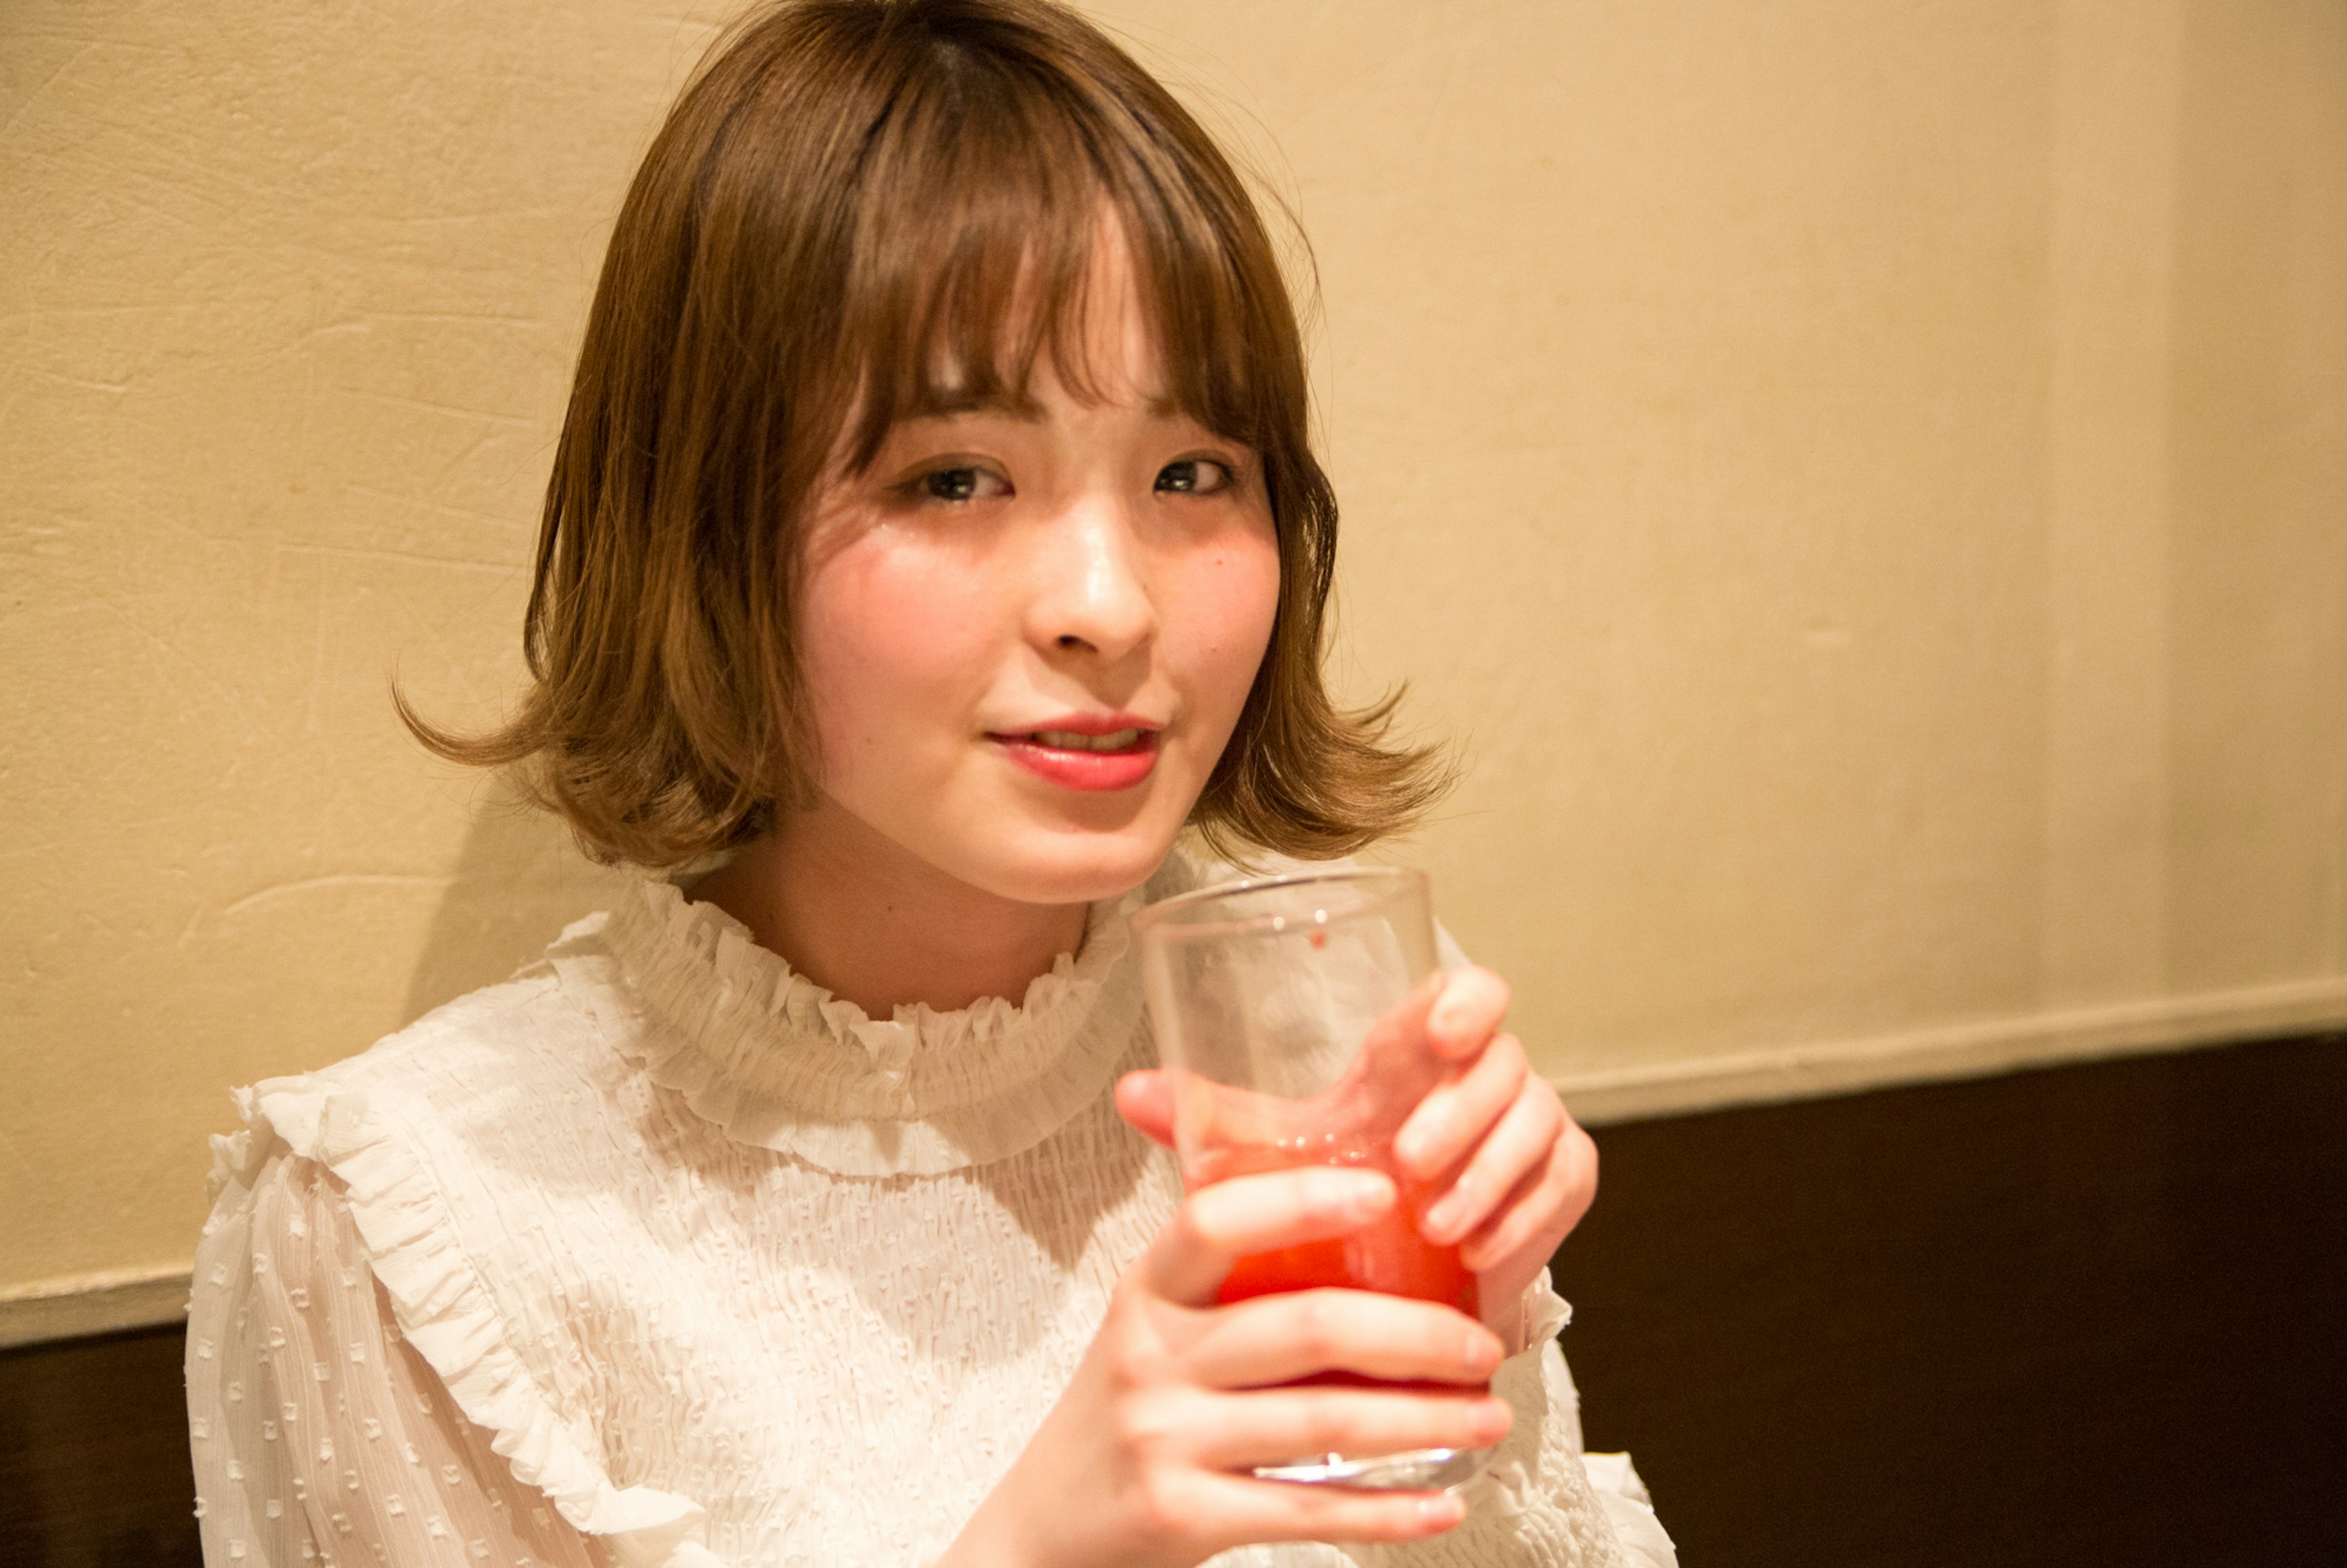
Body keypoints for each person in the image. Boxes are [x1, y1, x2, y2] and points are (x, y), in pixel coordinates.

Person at [183, 2, 1677, 1564]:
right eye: (954, 477)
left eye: (1192, 474)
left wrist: (1477, 1348)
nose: (1111, 604)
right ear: (710, 524)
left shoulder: (1316, 1039)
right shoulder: (414, 1223)